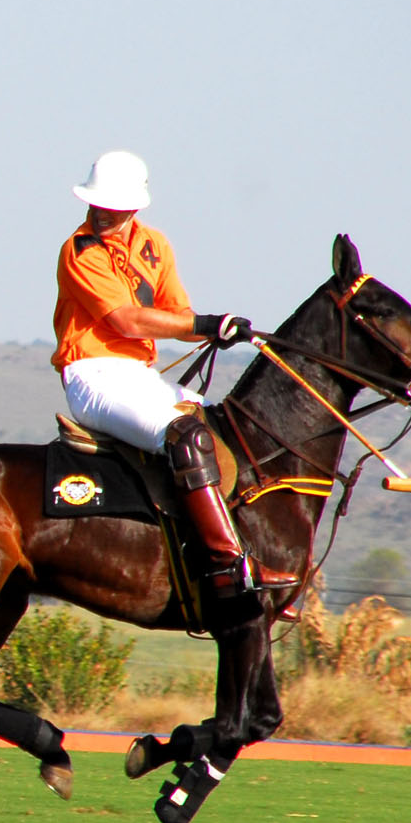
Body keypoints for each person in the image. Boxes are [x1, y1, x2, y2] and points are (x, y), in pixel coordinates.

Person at [50, 151, 295, 595]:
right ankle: (227, 563)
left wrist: (211, 331)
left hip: (138, 375)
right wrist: (201, 324)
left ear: (135, 208)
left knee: (226, 432)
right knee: (186, 434)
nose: (102, 213)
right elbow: (125, 321)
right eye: (97, 204)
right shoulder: (80, 251)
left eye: (113, 207)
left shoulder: (155, 245)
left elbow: (176, 314)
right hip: (93, 376)